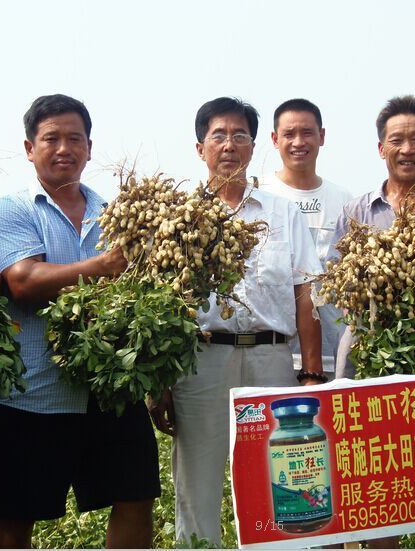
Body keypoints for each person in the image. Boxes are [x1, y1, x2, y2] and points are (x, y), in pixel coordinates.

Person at [0, 94, 160, 549]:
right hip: (34, 393)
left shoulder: (115, 212)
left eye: (75, 139)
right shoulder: (12, 209)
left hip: (112, 388)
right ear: (29, 148)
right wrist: (104, 266)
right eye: (51, 139)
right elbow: (23, 281)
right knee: (16, 517)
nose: (64, 148)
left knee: (135, 499)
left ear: (89, 147)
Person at [148, 97, 325, 547]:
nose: (229, 145)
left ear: (253, 146)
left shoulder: (282, 213)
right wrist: (161, 380)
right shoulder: (178, 217)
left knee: (282, 480)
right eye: (219, 136)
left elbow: (306, 294)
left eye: (240, 135)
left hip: (271, 360)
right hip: (202, 360)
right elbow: (161, 303)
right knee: (197, 483)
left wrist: (310, 373)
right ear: (200, 148)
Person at [330, 95, 415, 549]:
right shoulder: (356, 213)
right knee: (373, 465)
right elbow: (336, 283)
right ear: (381, 148)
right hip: (368, 351)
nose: (407, 149)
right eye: (397, 140)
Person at [261, 98, 353, 381]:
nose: (298, 142)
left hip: (333, 353)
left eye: (307, 133)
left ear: (322, 136)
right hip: (276, 355)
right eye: (289, 134)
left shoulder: (344, 201)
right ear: (275, 139)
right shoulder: (259, 196)